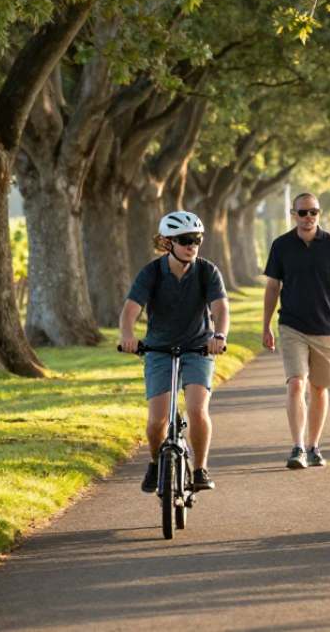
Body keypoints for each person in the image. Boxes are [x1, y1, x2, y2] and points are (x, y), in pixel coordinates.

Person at [119, 210, 229, 494]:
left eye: (197, 239)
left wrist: (219, 335)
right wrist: (128, 336)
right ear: (168, 243)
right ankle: (156, 463)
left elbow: (220, 308)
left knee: (196, 409)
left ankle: (200, 469)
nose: (192, 245)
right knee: (157, 421)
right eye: (185, 240)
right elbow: (131, 309)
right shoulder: (152, 272)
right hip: (158, 349)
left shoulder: (207, 271)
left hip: (198, 347)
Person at [262, 193, 330, 470]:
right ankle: (298, 446)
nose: (308, 217)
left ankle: (314, 445)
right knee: (296, 383)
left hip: (325, 327)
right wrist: (265, 325)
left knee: (319, 388)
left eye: (313, 212)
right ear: (294, 214)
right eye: (303, 212)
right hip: (291, 325)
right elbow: (272, 287)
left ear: (319, 213)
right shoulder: (281, 246)